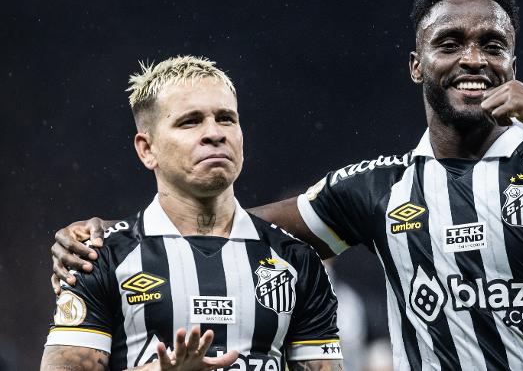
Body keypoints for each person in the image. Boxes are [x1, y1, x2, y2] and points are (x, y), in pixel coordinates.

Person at [51, 0, 523, 371]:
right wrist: (108, 233)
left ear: (513, 62)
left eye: (493, 46)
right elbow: (230, 229)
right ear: (417, 66)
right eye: (449, 44)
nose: (472, 58)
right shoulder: (378, 187)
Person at [41, 56, 343, 371]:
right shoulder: (99, 259)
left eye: (226, 118)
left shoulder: (297, 259)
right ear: (147, 149)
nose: (215, 133)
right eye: (190, 121)